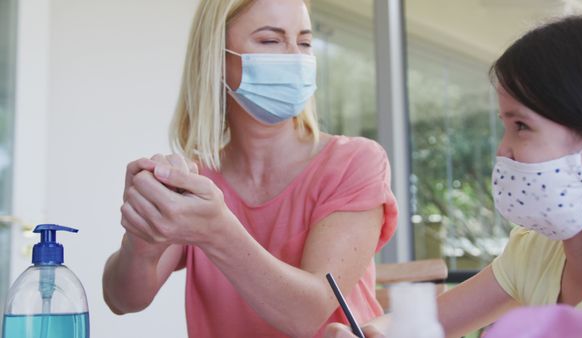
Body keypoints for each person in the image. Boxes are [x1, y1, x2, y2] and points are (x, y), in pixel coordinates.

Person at [324, 10, 582, 338]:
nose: (502, 150)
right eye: (505, 126)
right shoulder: (537, 251)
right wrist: (368, 332)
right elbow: (428, 323)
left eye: (522, 126)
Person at [101, 0, 398, 337]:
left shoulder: (354, 163)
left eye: (304, 43)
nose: (295, 58)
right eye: (270, 41)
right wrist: (142, 239)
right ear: (217, 57)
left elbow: (308, 315)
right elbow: (122, 299)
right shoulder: (197, 182)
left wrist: (217, 231)